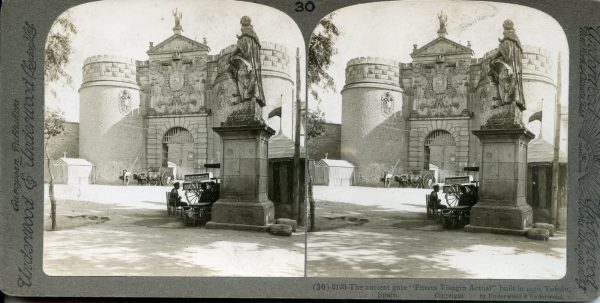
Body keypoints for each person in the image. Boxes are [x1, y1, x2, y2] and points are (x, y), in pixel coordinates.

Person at [228, 16, 265, 106]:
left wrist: (232, 54)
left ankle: (238, 94)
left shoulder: (246, 34)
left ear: (242, 24)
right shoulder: (254, 35)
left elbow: (244, 48)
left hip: (247, 62)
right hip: (254, 63)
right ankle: (249, 94)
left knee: (229, 71)